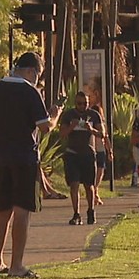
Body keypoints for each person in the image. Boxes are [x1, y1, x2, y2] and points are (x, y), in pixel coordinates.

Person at [0, 53, 54, 279]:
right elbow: (44, 128)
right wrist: (55, 116)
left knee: (2, 210)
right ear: (32, 71)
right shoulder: (30, 92)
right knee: (22, 210)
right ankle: (16, 265)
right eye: (37, 75)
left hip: (0, 157)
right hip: (24, 158)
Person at [58, 91, 103, 226]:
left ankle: (91, 210)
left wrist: (91, 130)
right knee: (74, 184)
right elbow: (62, 133)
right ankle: (76, 214)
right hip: (72, 154)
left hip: (88, 154)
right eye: (80, 103)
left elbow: (102, 134)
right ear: (75, 103)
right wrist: (72, 126)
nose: (83, 106)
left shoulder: (94, 115)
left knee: (89, 186)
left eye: (85, 104)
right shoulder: (68, 115)